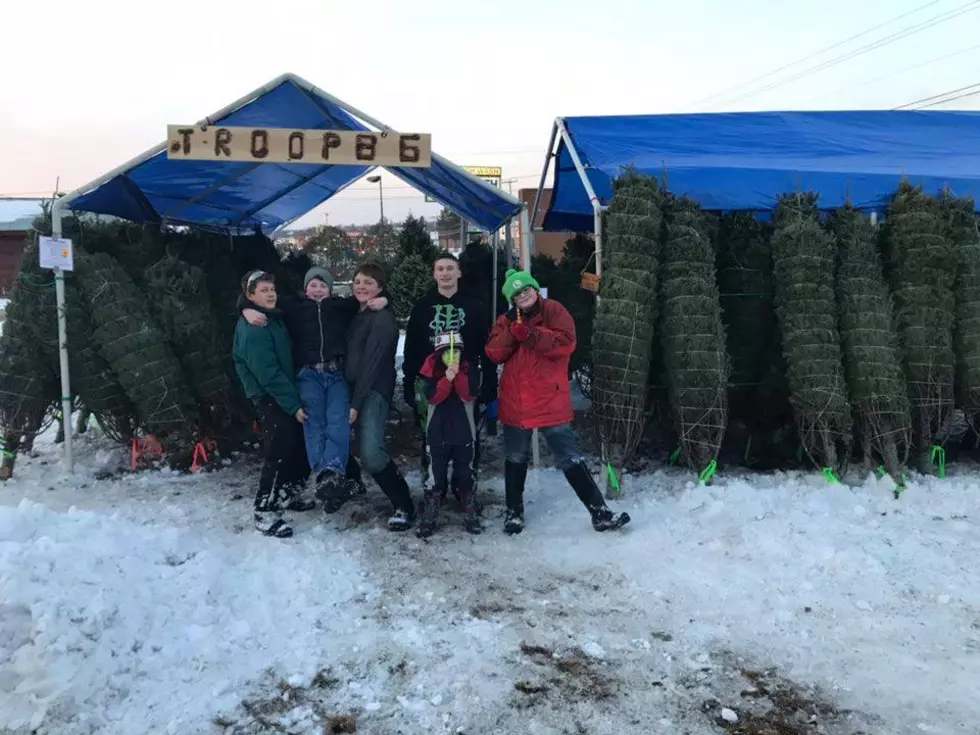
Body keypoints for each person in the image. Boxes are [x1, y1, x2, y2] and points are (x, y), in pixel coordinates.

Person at [486, 269, 631, 535]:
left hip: (548, 398)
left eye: (526, 289)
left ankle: (599, 512)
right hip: (516, 399)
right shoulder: (505, 320)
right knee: (515, 456)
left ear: (534, 288)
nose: (524, 295)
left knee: (569, 457)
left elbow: (565, 343)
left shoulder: (554, 310)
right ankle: (513, 513)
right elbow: (494, 352)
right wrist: (512, 332)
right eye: (517, 294)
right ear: (512, 299)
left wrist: (529, 334)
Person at [239, 267, 386, 511]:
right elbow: (258, 298)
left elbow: (367, 294)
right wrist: (245, 308)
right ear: (305, 289)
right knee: (314, 421)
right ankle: (322, 475)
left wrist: (384, 299)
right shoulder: (292, 306)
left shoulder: (341, 307)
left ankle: (334, 471)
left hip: (335, 373)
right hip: (308, 375)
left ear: (330, 290)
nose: (317, 290)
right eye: (312, 285)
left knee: (338, 420)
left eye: (323, 286)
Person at [403, 252, 494, 500]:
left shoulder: (475, 306)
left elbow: (486, 347)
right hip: (430, 381)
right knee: (430, 436)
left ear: (459, 273)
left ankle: (465, 487)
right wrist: (409, 383)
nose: (445, 273)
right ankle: (434, 487)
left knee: (468, 436)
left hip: (466, 379)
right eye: (440, 269)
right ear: (434, 274)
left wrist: (489, 381)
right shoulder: (422, 307)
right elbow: (411, 348)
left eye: (449, 268)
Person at [232, 270, 316, 538]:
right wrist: (293, 405)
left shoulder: (270, 318)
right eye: (263, 290)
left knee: (298, 447)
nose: (270, 294)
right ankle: (264, 511)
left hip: (283, 392)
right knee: (279, 453)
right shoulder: (254, 327)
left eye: (271, 288)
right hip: (270, 397)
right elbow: (268, 374)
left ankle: (288, 494)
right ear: (250, 295)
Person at [346, 263, 416, 531]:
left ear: (380, 288)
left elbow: (372, 365)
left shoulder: (381, 319)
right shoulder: (357, 312)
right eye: (358, 281)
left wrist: (355, 404)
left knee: (372, 453)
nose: (361, 286)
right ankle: (352, 484)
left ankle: (404, 504)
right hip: (352, 388)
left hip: (373, 391)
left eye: (369, 282)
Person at [416, 331, 481, 538]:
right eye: (447, 354)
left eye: (456, 354)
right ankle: (431, 507)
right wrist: (446, 379)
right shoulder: (429, 373)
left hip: (463, 432)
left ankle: (469, 505)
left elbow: (468, 394)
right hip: (437, 433)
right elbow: (433, 397)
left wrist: (458, 377)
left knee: (466, 472)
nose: (452, 358)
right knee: (436, 474)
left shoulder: (470, 370)